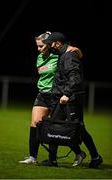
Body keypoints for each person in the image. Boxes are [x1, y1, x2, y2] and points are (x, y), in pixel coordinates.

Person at [19, 31, 86, 166]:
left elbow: (75, 53)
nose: (38, 49)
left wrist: (77, 50)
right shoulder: (39, 58)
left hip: (56, 96)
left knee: (57, 129)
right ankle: (33, 157)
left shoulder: (57, 55)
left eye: (41, 46)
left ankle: (78, 152)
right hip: (42, 95)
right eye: (37, 46)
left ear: (49, 45)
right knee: (34, 124)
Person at [39, 32, 103, 168]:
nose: (48, 46)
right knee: (53, 126)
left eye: (50, 43)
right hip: (61, 98)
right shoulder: (63, 53)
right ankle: (52, 160)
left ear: (58, 44)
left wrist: (67, 94)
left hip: (70, 99)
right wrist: (79, 50)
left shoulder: (69, 56)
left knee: (79, 129)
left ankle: (96, 157)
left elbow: (75, 78)